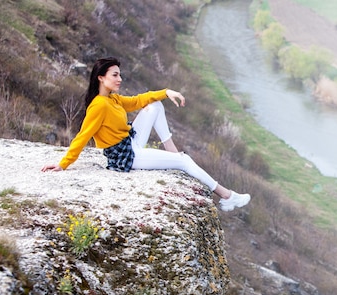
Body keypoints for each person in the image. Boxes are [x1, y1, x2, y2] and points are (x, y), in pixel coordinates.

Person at [41, 57, 250, 212]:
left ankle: (172, 152)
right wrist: (63, 164)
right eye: (115, 75)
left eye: (119, 74)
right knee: (184, 161)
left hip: (129, 141)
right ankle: (226, 195)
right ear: (100, 78)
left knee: (154, 105)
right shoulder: (98, 106)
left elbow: (137, 101)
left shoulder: (112, 99)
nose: (119, 79)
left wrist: (166, 92)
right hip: (125, 156)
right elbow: (82, 136)